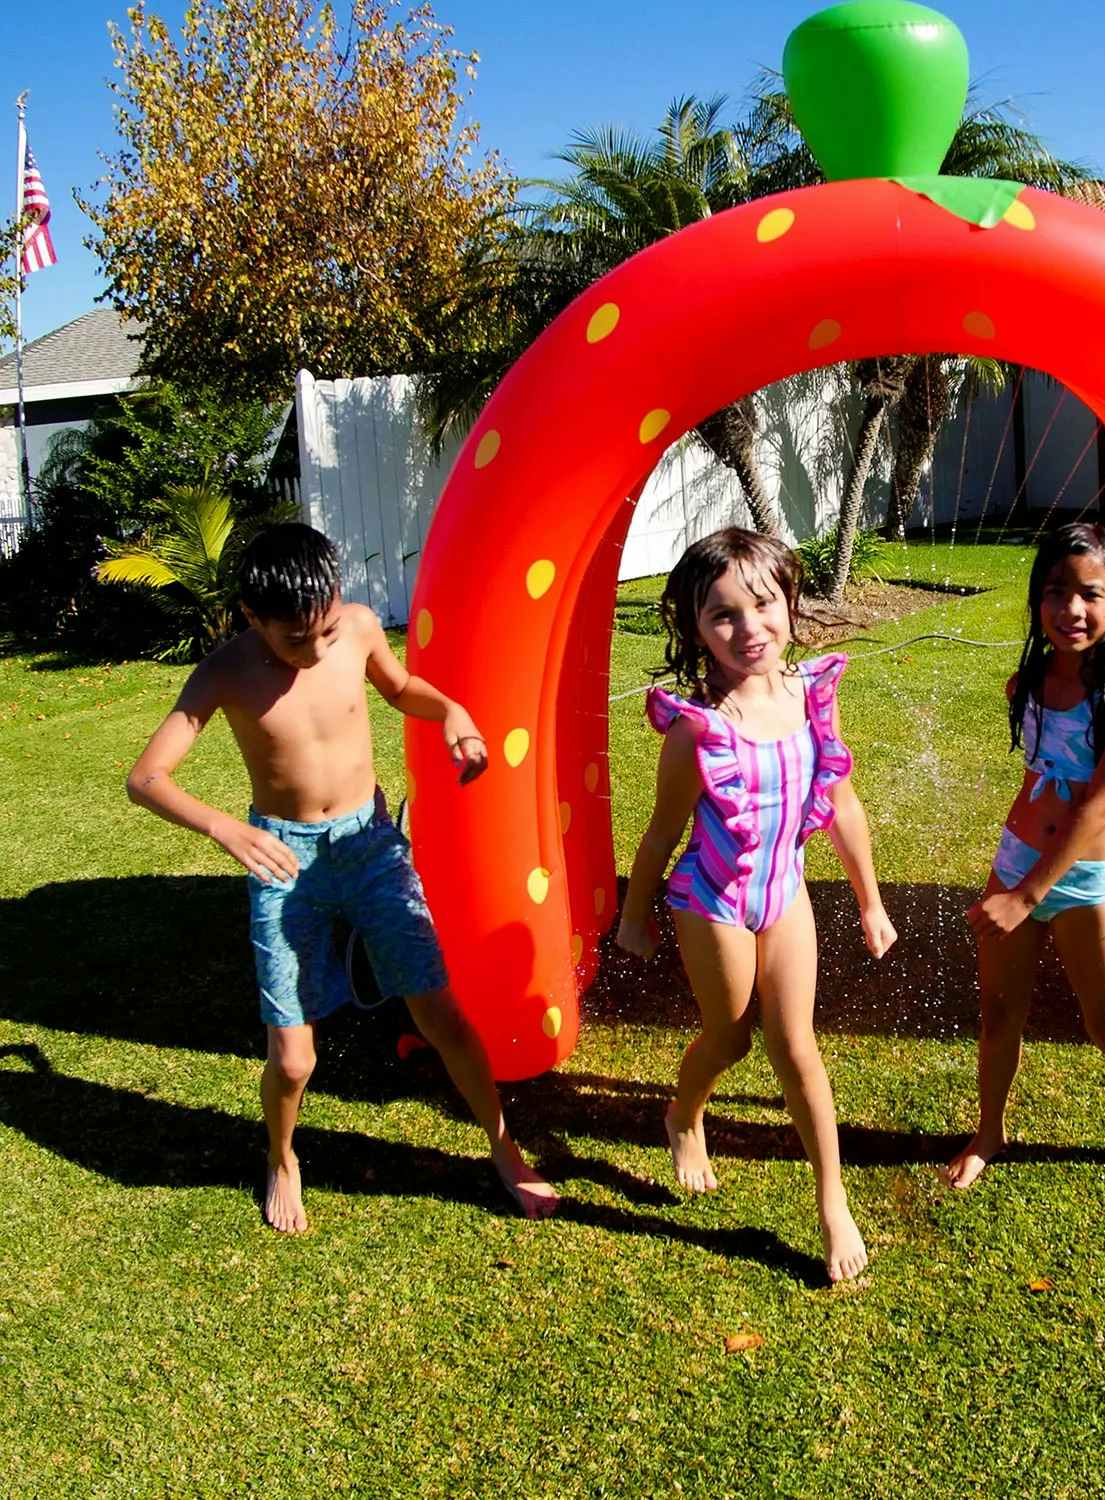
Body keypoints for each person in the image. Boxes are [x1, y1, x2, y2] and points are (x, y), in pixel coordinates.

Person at [125, 523, 558, 1231]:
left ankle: (504, 1148)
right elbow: (146, 778)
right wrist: (227, 828)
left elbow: (400, 686)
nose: (316, 648)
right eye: (294, 639)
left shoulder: (354, 628)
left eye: (323, 628)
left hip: (369, 846)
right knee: (294, 1061)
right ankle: (282, 1157)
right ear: (251, 617)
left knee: (442, 1013)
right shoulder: (224, 671)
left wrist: (450, 711)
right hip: (283, 859)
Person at [615, 529, 897, 1283]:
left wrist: (869, 901)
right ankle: (683, 1114)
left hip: (786, 892)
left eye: (764, 605)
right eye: (724, 616)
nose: (750, 629)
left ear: (790, 602)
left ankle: (832, 1200)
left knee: (796, 1045)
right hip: (711, 899)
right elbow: (661, 835)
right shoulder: (698, 730)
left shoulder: (809, 697)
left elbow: (840, 802)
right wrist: (634, 915)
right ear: (696, 629)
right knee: (731, 1038)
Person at [943, 522, 1105, 1206]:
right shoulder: (1027, 682)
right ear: (1036, 598)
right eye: (1056, 592)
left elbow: (1101, 803)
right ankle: (989, 1132)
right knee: (998, 1015)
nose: (1071, 610)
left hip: (1079, 883)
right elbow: (1056, 784)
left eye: (1090, 594)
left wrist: (1030, 894)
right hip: (1018, 862)